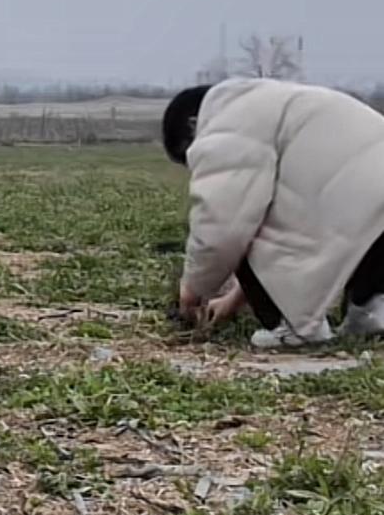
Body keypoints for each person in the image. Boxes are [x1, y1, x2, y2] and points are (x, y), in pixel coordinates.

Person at [163, 77, 384, 349]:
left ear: (194, 125)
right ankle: (368, 310)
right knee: (370, 221)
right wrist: (235, 299)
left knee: (239, 222)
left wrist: (192, 290)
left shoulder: (226, 123)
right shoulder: (268, 102)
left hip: (351, 197)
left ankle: (293, 328)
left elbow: (225, 230)